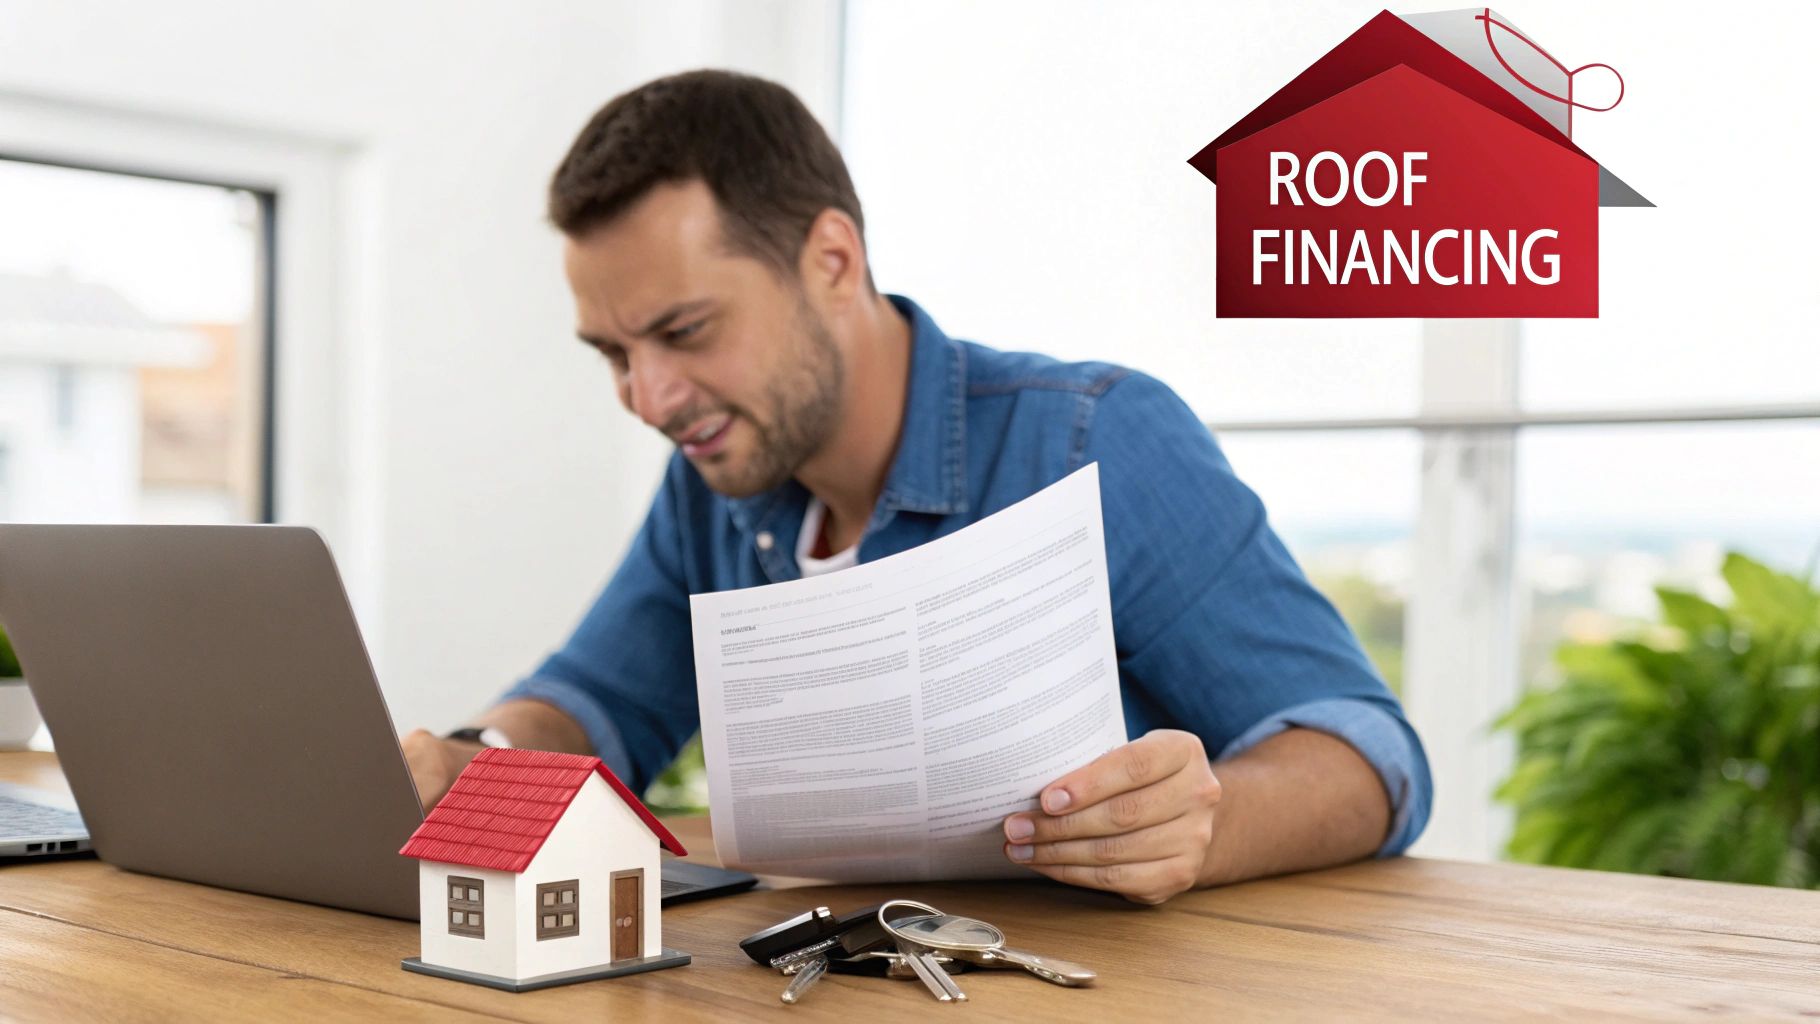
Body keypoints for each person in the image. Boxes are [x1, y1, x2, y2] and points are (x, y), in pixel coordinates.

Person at [403, 69, 1431, 906]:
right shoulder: (708, 483)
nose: (647, 396)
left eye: (682, 332)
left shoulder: (1090, 439)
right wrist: (474, 758)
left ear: (832, 261)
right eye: (611, 354)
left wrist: (1204, 822)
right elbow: (598, 704)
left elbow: (1367, 753)